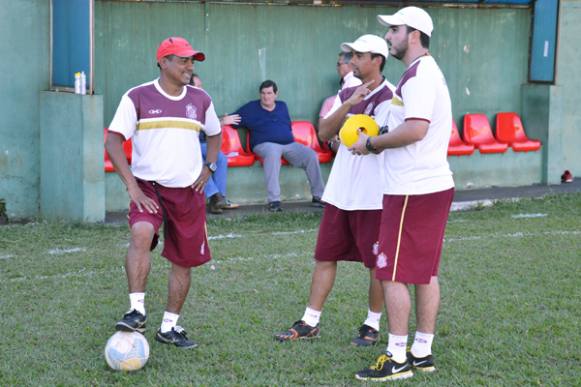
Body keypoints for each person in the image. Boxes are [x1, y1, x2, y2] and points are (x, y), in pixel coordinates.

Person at [350, 7, 455, 381]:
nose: (389, 36)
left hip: (412, 188)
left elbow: (415, 130)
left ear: (413, 34)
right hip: (428, 185)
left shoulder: (419, 76)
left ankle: (397, 358)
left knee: (391, 272)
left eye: (394, 29)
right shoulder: (424, 72)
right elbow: (413, 125)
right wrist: (375, 131)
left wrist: (372, 143)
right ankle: (422, 352)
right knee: (424, 273)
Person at [274, 34, 395, 346]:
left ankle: (372, 324)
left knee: (375, 264)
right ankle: (309, 321)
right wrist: (350, 105)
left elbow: (373, 145)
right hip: (340, 191)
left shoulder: (391, 98)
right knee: (325, 256)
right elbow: (325, 132)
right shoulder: (349, 92)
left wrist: (356, 138)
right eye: (350, 55)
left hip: (373, 196)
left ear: (377, 60)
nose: (351, 61)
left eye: (358, 55)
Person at [105, 36, 222, 349]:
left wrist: (209, 167)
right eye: (183, 60)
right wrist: (131, 185)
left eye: (192, 61)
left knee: (182, 260)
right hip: (148, 187)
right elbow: (113, 141)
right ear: (164, 62)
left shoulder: (201, 100)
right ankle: (136, 311)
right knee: (142, 233)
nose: (189, 66)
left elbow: (215, 133)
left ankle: (169, 327)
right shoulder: (137, 96)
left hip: (187, 191)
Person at [233, 80, 325, 212]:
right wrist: (226, 119)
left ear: (276, 94)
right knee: (273, 152)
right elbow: (234, 119)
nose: (266, 96)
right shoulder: (251, 108)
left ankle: (319, 196)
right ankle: (274, 201)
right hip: (264, 145)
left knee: (310, 155)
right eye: (263, 93)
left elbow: (287, 125)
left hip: (289, 144)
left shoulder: (282, 106)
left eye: (269, 93)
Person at [190, 73, 240, 214]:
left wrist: (220, 121)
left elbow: (209, 126)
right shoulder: (183, 103)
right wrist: (222, 122)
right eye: (199, 86)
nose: (202, 89)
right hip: (187, 146)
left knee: (221, 158)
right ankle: (214, 196)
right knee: (196, 160)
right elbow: (196, 127)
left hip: (202, 144)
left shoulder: (203, 103)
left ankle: (220, 199)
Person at [318, 52, 364, 149]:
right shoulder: (349, 82)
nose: (337, 68)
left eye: (339, 64)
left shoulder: (354, 81)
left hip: (353, 134)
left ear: (350, 64)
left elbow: (349, 114)